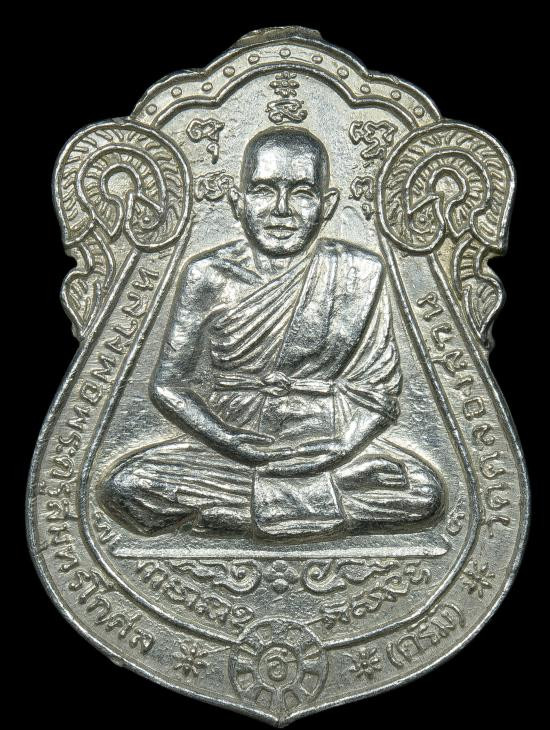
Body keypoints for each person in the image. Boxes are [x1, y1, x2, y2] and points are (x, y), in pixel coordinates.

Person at [98, 127, 443, 538]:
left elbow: (378, 390)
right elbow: (169, 386)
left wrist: (338, 450)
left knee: (424, 490)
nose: (281, 210)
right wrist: (229, 441)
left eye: (302, 193)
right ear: (238, 202)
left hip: (328, 437)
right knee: (127, 486)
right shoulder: (207, 275)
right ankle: (311, 503)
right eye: (263, 190)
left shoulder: (360, 272)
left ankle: (239, 514)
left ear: (328, 204)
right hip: (230, 442)